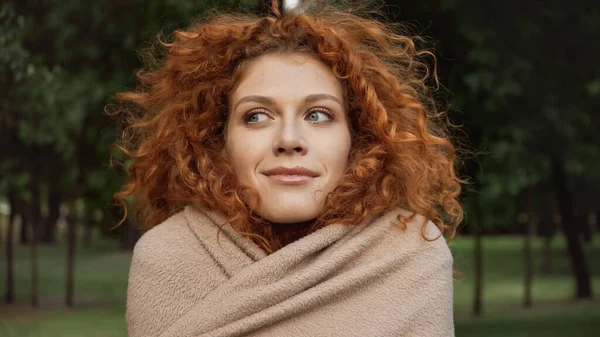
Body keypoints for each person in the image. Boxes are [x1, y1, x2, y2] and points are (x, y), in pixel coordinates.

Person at [112, 1, 463, 336]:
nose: (290, 139)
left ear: (359, 138)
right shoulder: (167, 258)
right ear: (216, 139)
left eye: (318, 115)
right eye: (257, 116)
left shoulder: (411, 254)